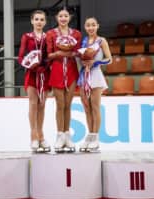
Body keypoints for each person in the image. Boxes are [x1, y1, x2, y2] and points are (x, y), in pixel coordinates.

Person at [46, 7, 82, 152]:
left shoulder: (77, 34)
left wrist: (72, 52)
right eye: (60, 16)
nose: (63, 18)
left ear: (70, 18)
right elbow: (48, 55)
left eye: (66, 16)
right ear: (56, 18)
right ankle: (59, 135)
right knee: (60, 104)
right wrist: (59, 53)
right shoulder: (50, 34)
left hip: (72, 70)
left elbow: (79, 52)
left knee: (68, 104)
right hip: (57, 70)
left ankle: (68, 135)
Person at [77, 17, 112, 152]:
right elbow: (79, 56)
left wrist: (95, 63)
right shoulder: (83, 42)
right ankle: (90, 135)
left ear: (97, 26)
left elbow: (109, 59)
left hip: (96, 74)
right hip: (84, 75)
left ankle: (96, 137)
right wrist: (82, 61)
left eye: (93, 25)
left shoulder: (101, 41)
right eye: (88, 25)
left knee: (95, 106)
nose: (91, 27)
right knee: (86, 107)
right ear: (85, 27)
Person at [18, 10, 51, 152]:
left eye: (41, 19)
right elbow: (21, 57)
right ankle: (34, 136)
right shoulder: (26, 37)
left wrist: (44, 66)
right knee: (33, 104)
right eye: (36, 19)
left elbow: (50, 55)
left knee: (42, 104)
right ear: (32, 21)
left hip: (44, 74)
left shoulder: (48, 37)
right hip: (31, 74)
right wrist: (31, 66)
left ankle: (41, 135)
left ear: (45, 22)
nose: (39, 22)